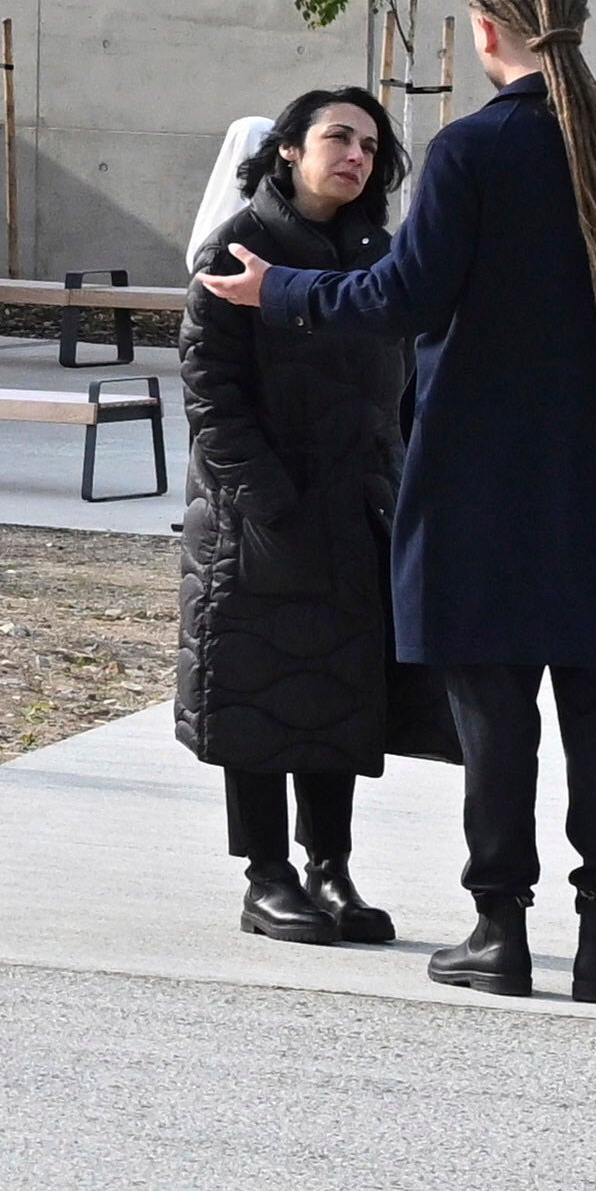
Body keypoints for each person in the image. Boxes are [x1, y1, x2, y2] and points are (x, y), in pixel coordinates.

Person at [196, 0, 596, 1003]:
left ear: (485, 32)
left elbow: (401, 294)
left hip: (486, 481)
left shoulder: (476, 150)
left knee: (499, 724)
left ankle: (501, 930)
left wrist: (281, 295)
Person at [173, 85, 424, 946]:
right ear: (288, 149)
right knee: (258, 691)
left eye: (369, 145)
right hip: (263, 523)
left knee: (335, 693)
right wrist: (267, 504)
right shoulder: (240, 247)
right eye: (338, 138)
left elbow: (406, 387)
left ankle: (331, 867)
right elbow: (211, 396)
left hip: (359, 513)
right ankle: (267, 875)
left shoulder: (378, 256)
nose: (354, 156)